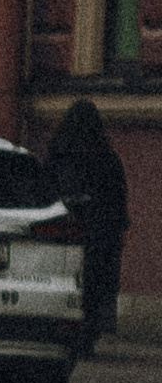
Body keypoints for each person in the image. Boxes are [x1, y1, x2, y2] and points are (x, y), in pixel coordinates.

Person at [47, 97, 128, 352]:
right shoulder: (106, 156)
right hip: (98, 234)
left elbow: (45, 189)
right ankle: (88, 334)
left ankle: (65, 330)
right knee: (94, 285)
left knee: (65, 281)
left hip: (64, 229)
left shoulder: (58, 153)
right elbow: (117, 199)